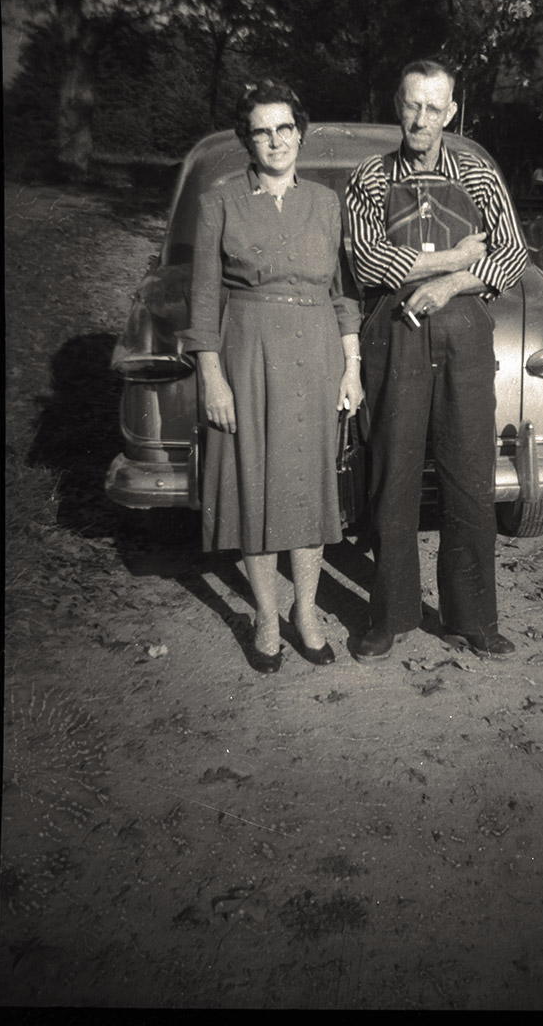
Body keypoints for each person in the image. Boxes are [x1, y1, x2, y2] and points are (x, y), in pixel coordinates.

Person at [178, 79, 364, 673]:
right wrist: (212, 378)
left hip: (317, 359)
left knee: (307, 492)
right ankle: (265, 616)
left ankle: (305, 612)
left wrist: (352, 368)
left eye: (285, 128)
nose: (276, 140)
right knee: (256, 489)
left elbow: (343, 296)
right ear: (247, 140)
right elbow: (204, 302)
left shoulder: (326, 203)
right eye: (262, 130)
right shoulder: (221, 203)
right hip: (249, 356)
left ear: (300, 133)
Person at [346, 59, 528, 662]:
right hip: (394, 337)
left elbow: (512, 254)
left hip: (465, 340)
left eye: (434, 107)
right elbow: (367, 263)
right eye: (411, 105)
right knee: (392, 476)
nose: (421, 119)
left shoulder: (477, 173)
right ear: (396, 105)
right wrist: (452, 258)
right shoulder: (369, 178)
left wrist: (451, 286)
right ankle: (389, 615)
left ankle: (473, 618)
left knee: (468, 478)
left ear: (452, 112)